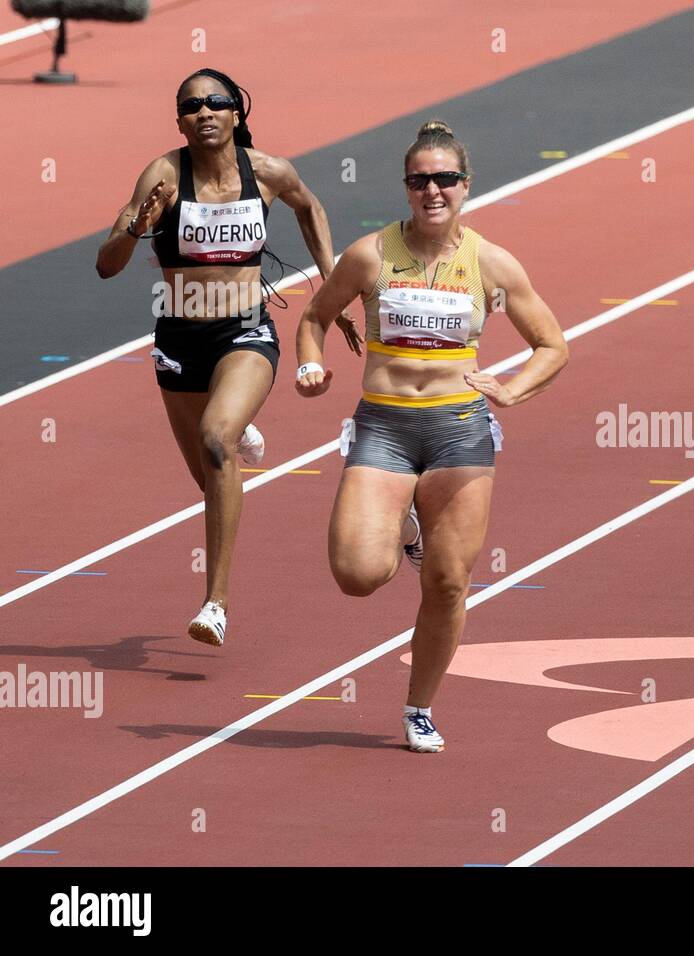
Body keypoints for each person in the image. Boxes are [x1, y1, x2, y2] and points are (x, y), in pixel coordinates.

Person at [295, 120, 569, 752]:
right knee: (357, 574)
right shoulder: (370, 255)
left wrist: (513, 389)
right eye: (421, 180)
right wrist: (310, 365)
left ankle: (419, 707)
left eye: (445, 178)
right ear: (407, 187)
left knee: (447, 583)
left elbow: (552, 345)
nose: (433, 190)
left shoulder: (492, 263)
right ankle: (404, 526)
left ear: (465, 186)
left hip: (460, 430)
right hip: (384, 426)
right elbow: (315, 316)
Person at [95, 68, 361, 647]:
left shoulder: (266, 171)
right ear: (181, 122)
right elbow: (105, 264)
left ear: (237, 113)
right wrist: (138, 228)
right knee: (210, 480)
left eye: (217, 103)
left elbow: (309, 207)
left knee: (217, 441)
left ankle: (215, 602)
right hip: (178, 341)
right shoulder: (164, 176)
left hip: (244, 331)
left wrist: (331, 287)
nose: (205, 113)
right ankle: (235, 424)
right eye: (192, 107)